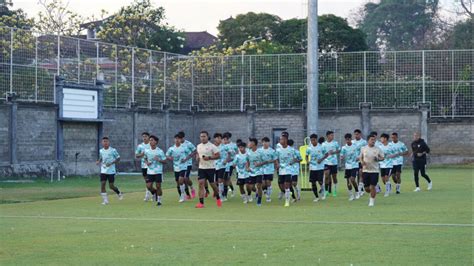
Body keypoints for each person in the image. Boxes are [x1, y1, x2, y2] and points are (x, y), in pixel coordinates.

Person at [195, 131, 222, 208]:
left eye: (204, 136)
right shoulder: (198, 146)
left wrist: (209, 158)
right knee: (200, 183)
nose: (202, 138)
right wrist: (197, 158)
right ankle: (201, 203)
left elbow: (218, 156)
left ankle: (218, 197)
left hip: (210, 168)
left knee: (213, 185)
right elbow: (198, 153)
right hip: (201, 168)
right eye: (201, 136)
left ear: (207, 137)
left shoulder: (212, 146)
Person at [96, 137, 123, 205]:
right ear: (102, 143)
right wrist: (98, 161)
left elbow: (118, 158)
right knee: (103, 184)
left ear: (109, 142)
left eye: (106, 141)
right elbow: (101, 157)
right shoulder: (101, 150)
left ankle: (118, 192)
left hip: (111, 171)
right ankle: (105, 201)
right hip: (103, 170)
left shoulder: (113, 150)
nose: (105, 143)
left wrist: (111, 163)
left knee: (111, 186)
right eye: (104, 141)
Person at [360, 135, 384, 207]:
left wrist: (378, 159)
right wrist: (362, 162)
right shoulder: (363, 148)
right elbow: (361, 157)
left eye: (374, 140)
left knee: (372, 186)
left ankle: (371, 201)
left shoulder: (378, 149)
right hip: (366, 170)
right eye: (372, 139)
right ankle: (373, 192)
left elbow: (382, 157)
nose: (373, 141)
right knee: (367, 188)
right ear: (368, 140)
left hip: (375, 171)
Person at [306, 134, 331, 202]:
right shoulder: (309, 148)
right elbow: (306, 155)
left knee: (320, 181)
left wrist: (321, 159)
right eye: (311, 140)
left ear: (316, 139)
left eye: (314, 140)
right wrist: (307, 161)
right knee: (313, 182)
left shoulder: (321, 147)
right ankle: (316, 197)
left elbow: (326, 154)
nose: (312, 141)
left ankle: (323, 190)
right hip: (312, 167)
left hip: (320, 167)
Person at [144, 135, 168, 206]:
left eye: (152, 140)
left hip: (158, 171)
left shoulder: (160, 151)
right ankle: (154, 193)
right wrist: (147, 162)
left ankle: (159, 201)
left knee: (158, 186)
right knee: (148, 186)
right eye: (150, 140)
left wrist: (159, 160)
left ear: (156, 142)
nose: (150, 141)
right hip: (150, 171)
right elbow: (145, 158)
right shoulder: (147, 150)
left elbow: (165, 161)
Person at [275, 133, 297, 207]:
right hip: (281, 170)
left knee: (286, 185)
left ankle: (287, 202)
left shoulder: (291, 149)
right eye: (280, 139)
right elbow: (276, 158)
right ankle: (288, 193)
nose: (280, 140)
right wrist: (277, 164)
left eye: (282, 139)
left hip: (288, 170)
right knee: (281, 186)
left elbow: (298, 158)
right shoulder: (278, 150)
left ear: (286, 140)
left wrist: (293, 162)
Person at [166, 134, 189, 203]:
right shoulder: (171, 148)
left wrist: (185, 159)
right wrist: (170, 158)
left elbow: (190, 154)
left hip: (183, 166)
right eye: (176, 138)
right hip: (176, 167)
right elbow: (167, 155)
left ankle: (182, 195)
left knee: (181, 180)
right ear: (174, 140)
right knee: (178, 182)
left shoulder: (184, 147)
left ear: (180, 140)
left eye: (178, 139)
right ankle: (182, 194)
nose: (177, 140)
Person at [340, 133, 360, 201]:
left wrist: (358, 157)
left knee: (352, 179)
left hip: (354, 165)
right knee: (348, 181)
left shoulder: (355, 146)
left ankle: (357, 191)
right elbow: (341, 155)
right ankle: (351, 195)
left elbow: (360, 153)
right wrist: (341, 157)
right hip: (347, 166)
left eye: (349, 139)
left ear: (351, 139)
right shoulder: (344, 148)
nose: (347, 141)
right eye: (346, 140)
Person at [247, 138, 265, 206]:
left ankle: (259, 200)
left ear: (254, 143)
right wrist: (247, 167)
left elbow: (265, 161)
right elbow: (247, 161)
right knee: (250, 187)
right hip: (251, 171)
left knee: (258, 186)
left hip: (259, 171)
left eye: (250, 142)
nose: (249, 144)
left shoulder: (260, 152)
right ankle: (257, 192)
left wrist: (259, 164)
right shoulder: (248, 152)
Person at [178, 131, 196, 199]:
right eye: (178, 138)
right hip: (179, 165)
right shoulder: (177, 144)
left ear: (183, 137)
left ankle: (192, 188)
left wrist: (187, 158)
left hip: (188, 163)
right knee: (181, 180)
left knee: (186, 178)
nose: (180, 140)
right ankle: (187, 194)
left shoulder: (188, 144)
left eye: (181, 138)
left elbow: (195, 151)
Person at [322, 131, 340, 197]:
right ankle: (326, 191)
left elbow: (339, 150)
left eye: (333, 135)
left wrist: (334, 152)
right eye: (331, 135)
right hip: (326, 162)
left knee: (334, 177)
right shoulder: (323, 144)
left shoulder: (335, 143)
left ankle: (335, 190)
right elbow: (322, 152)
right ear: (327, 136)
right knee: (326, 176)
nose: (332, 136)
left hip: (334, 162)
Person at [135, 132, 152, 201]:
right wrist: (142, 154)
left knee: (150, 181)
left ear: (148, 137)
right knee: (147, 181)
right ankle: (150, 193)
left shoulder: (151, 144)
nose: (144, 138)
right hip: (144, 165)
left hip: (151, 165)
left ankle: (148, 195)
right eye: (143, 136)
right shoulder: (140, 146)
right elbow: (136, 155)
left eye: (146, 136)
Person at [260, 137, 277, 202]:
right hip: (261, 169)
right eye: (264, 142)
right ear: (262, 143)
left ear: (269, 143)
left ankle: (268, 197)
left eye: (266, 142)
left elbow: (275, 159)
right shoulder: (260, 151)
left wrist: (271, 162)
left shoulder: (272, 151)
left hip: (269, 169)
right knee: (263, 183)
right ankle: (265, 191)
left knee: (268, 182)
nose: (265, 143)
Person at [213, 133, 230, 201]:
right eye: (218, 138)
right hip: (214, 166)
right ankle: (219, 193)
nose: (219, 139)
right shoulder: (212, 146)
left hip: (222, 165)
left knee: (221, 180)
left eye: (220, 138)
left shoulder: (224, 146)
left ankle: (221, 195)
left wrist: (226, 160)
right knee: (216, 182)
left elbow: (230, 154)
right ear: (215, 139)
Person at [223, 132, 238, 198]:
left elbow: (237, 154)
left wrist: (235, 162)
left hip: (231, 164)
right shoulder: (222, 146)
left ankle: (225, 194)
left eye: (226, 139)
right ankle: (231, 189)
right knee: (224, 179)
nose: (224, 141)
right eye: (224, 139)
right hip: (223, 164)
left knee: (227, 178)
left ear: (228, 139)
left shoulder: (234, 145)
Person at [352, 129, 368, 194]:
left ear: (360, 134)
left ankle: (360, 188)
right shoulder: (352, 142)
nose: (356, 135)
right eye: (355, 134)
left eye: (357, 134)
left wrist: (360, 157)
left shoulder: (364, 142)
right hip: (353, 162)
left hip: (361, 161)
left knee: (360, 174)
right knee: (354, 176)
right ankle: (359, 188)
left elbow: (366, 151)